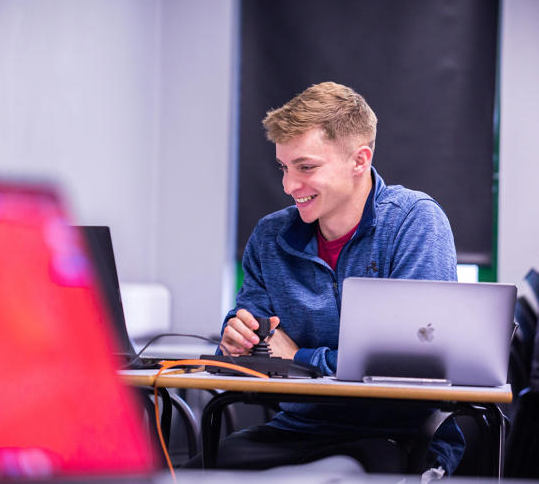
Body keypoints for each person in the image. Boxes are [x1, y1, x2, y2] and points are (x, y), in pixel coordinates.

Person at [188, 82, 464, 474]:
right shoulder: (270, 237)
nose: (288, 186)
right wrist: (238, 340)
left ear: (359, 160)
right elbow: (256, 355)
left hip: (396, 434)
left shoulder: (414, 222)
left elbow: (411, 367)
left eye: (306, 167)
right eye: (284, 167)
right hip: (297, 430)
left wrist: (299, 358)